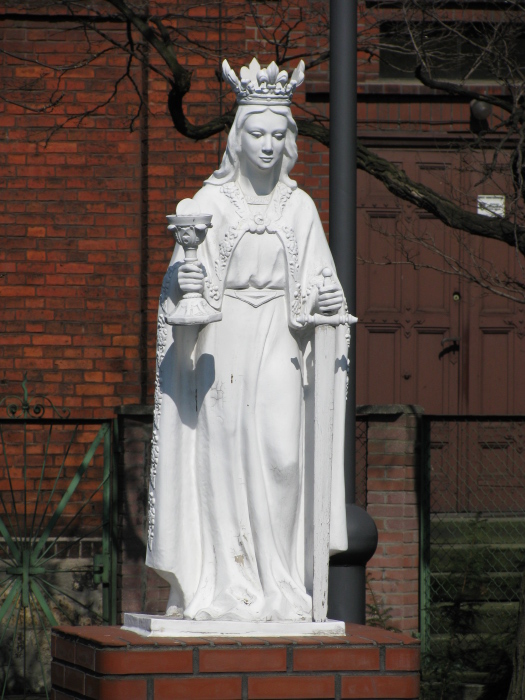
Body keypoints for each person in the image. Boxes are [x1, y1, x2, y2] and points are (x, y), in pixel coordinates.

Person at [145, 58, 349, 622]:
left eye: (277, 135)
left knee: (284, 453)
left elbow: (323, 286)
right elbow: (179, 291)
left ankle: (280, 582)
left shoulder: (300, 206)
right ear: (238, 137)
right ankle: (229, 583)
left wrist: (327, 303)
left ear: (289, 140)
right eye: (257, 133)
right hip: (223, 340)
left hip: (281, 335)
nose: (267, 145)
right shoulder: (209, 203)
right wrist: (183, 284)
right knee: (225, 452)